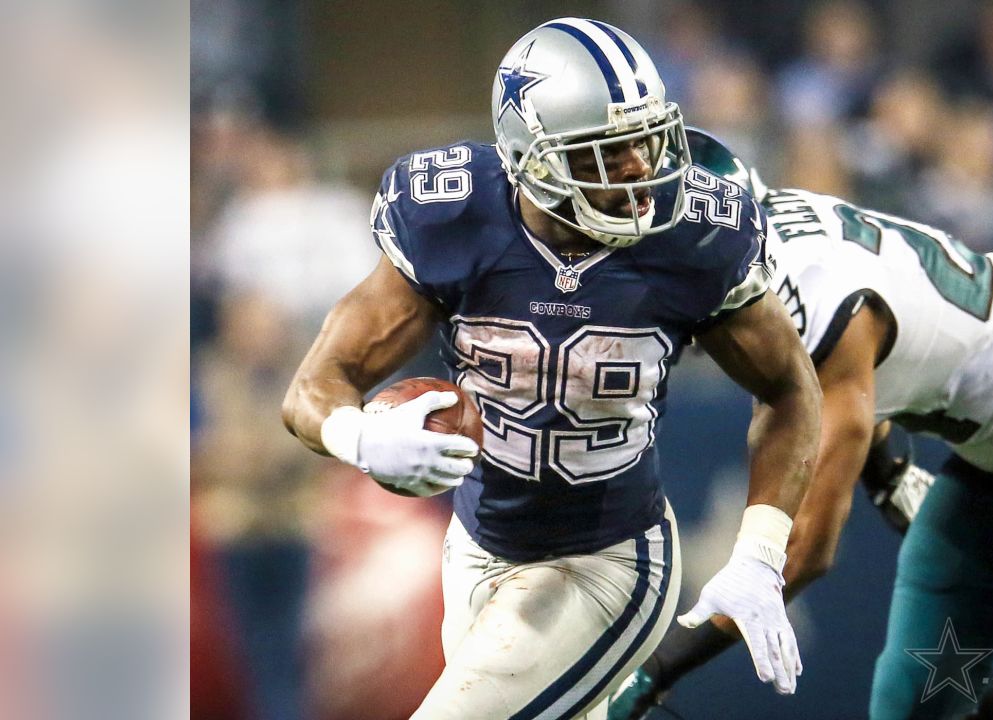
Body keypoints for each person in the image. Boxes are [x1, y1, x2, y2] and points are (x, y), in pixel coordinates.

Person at [281, 22, 821, 720]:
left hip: (609, 562)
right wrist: (360, 439)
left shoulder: (697, 235)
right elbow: (315, 386)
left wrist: (759, 551)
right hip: (475, 547)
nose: (638, 168)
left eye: (646, 139)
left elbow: (791, 388)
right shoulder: (454, 215)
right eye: (606, 151)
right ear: (527, 156)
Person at [609, 130, 993, 719]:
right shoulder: (778, 254)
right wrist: (887, 471)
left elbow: (804, 547)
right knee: (917, 702)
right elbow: (868, 360)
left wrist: (657, 669)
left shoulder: (807, 299)